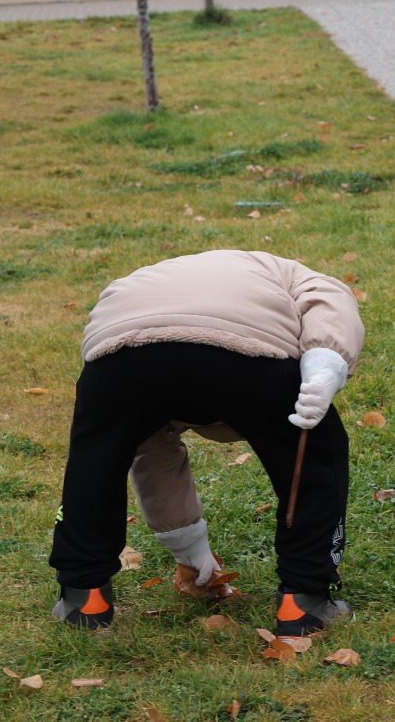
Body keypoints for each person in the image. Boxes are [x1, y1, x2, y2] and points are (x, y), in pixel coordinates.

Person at [49, 250, 363, 634]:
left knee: (96, 458)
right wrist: (325, 364)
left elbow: (153, 456)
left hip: (120, 352)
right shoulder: (298, 274)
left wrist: (188, 547)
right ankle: (304, 602)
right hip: (244, 349)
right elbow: (331, 301)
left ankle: (84, 597)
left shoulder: (148, 274)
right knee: (313, 450)